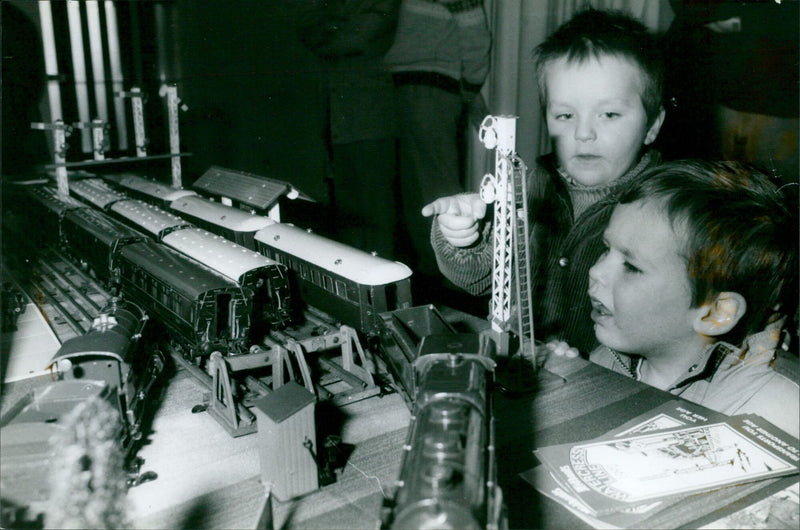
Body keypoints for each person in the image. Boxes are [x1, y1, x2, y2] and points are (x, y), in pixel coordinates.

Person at [422, 8, 665, 354]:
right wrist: (461, 238)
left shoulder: (666, 209)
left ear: (653, 125)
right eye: (565, 115)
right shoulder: (530, 187)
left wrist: (603, 361)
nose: (583, 133)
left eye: (609, 114)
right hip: (527, 365)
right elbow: (478, 279)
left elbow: (667, 325)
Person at [578, 160, 797, 438]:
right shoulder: (610, 354)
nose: (596, 271)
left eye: (631, 266)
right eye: (606, 249)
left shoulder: (776, 414)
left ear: (715, 314)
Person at [384, 0, 492, 288]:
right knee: (418, 191)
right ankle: (435, 277)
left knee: (436, 187)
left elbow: (477, 39)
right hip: (408, 85)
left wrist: (469, 90)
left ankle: (451, 280)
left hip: (429, 86)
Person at [298, 0, 401, 259]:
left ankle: (384, 291)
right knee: (348, 217)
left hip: (371, 119)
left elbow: (362, 37)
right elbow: (308, 31)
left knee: (378, 216)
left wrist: (332, 23)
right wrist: (342, 23)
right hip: (336, 121)